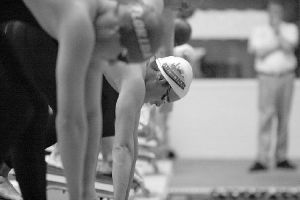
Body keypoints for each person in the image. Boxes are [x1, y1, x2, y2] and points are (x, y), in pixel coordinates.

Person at [0, 0, 164, 200]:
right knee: (22, 107)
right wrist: (79, 194)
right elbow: (70, 121)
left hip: (19, 21)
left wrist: (87, 189)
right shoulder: (81, 24)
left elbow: (91, 114)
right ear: (116, 32)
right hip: (18, 25)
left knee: (33, 111)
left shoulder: (101, 27)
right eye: (120, 54)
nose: (114, 60)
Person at [248, 0, 299, 172]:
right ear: (267, 12)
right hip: (267, 78)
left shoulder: (290, 29)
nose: (274, 14)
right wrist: (277, 42)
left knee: (284, 118)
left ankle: (281, 157)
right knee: (265, 117)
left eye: (278, 11)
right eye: (272, 11)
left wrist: (278, 33)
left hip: (287, 77)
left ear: (282, 12)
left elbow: (290, 47)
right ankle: (262, 158)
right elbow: (260, 53)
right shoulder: (259, 30)